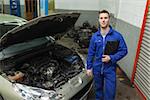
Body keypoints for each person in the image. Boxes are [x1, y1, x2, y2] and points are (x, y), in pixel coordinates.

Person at [86, 9, 128, 100]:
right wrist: (89, 67)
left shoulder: (117, 36)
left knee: (110, 92)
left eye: (105, 18)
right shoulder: (95, 36)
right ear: (98, 20)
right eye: (101, 18)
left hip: (110, 69)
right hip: (97, 67)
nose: (103, 20)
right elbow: (90, 52)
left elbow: (124, 50)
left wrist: (111, 57)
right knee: (98, 90)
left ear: (109, 19)